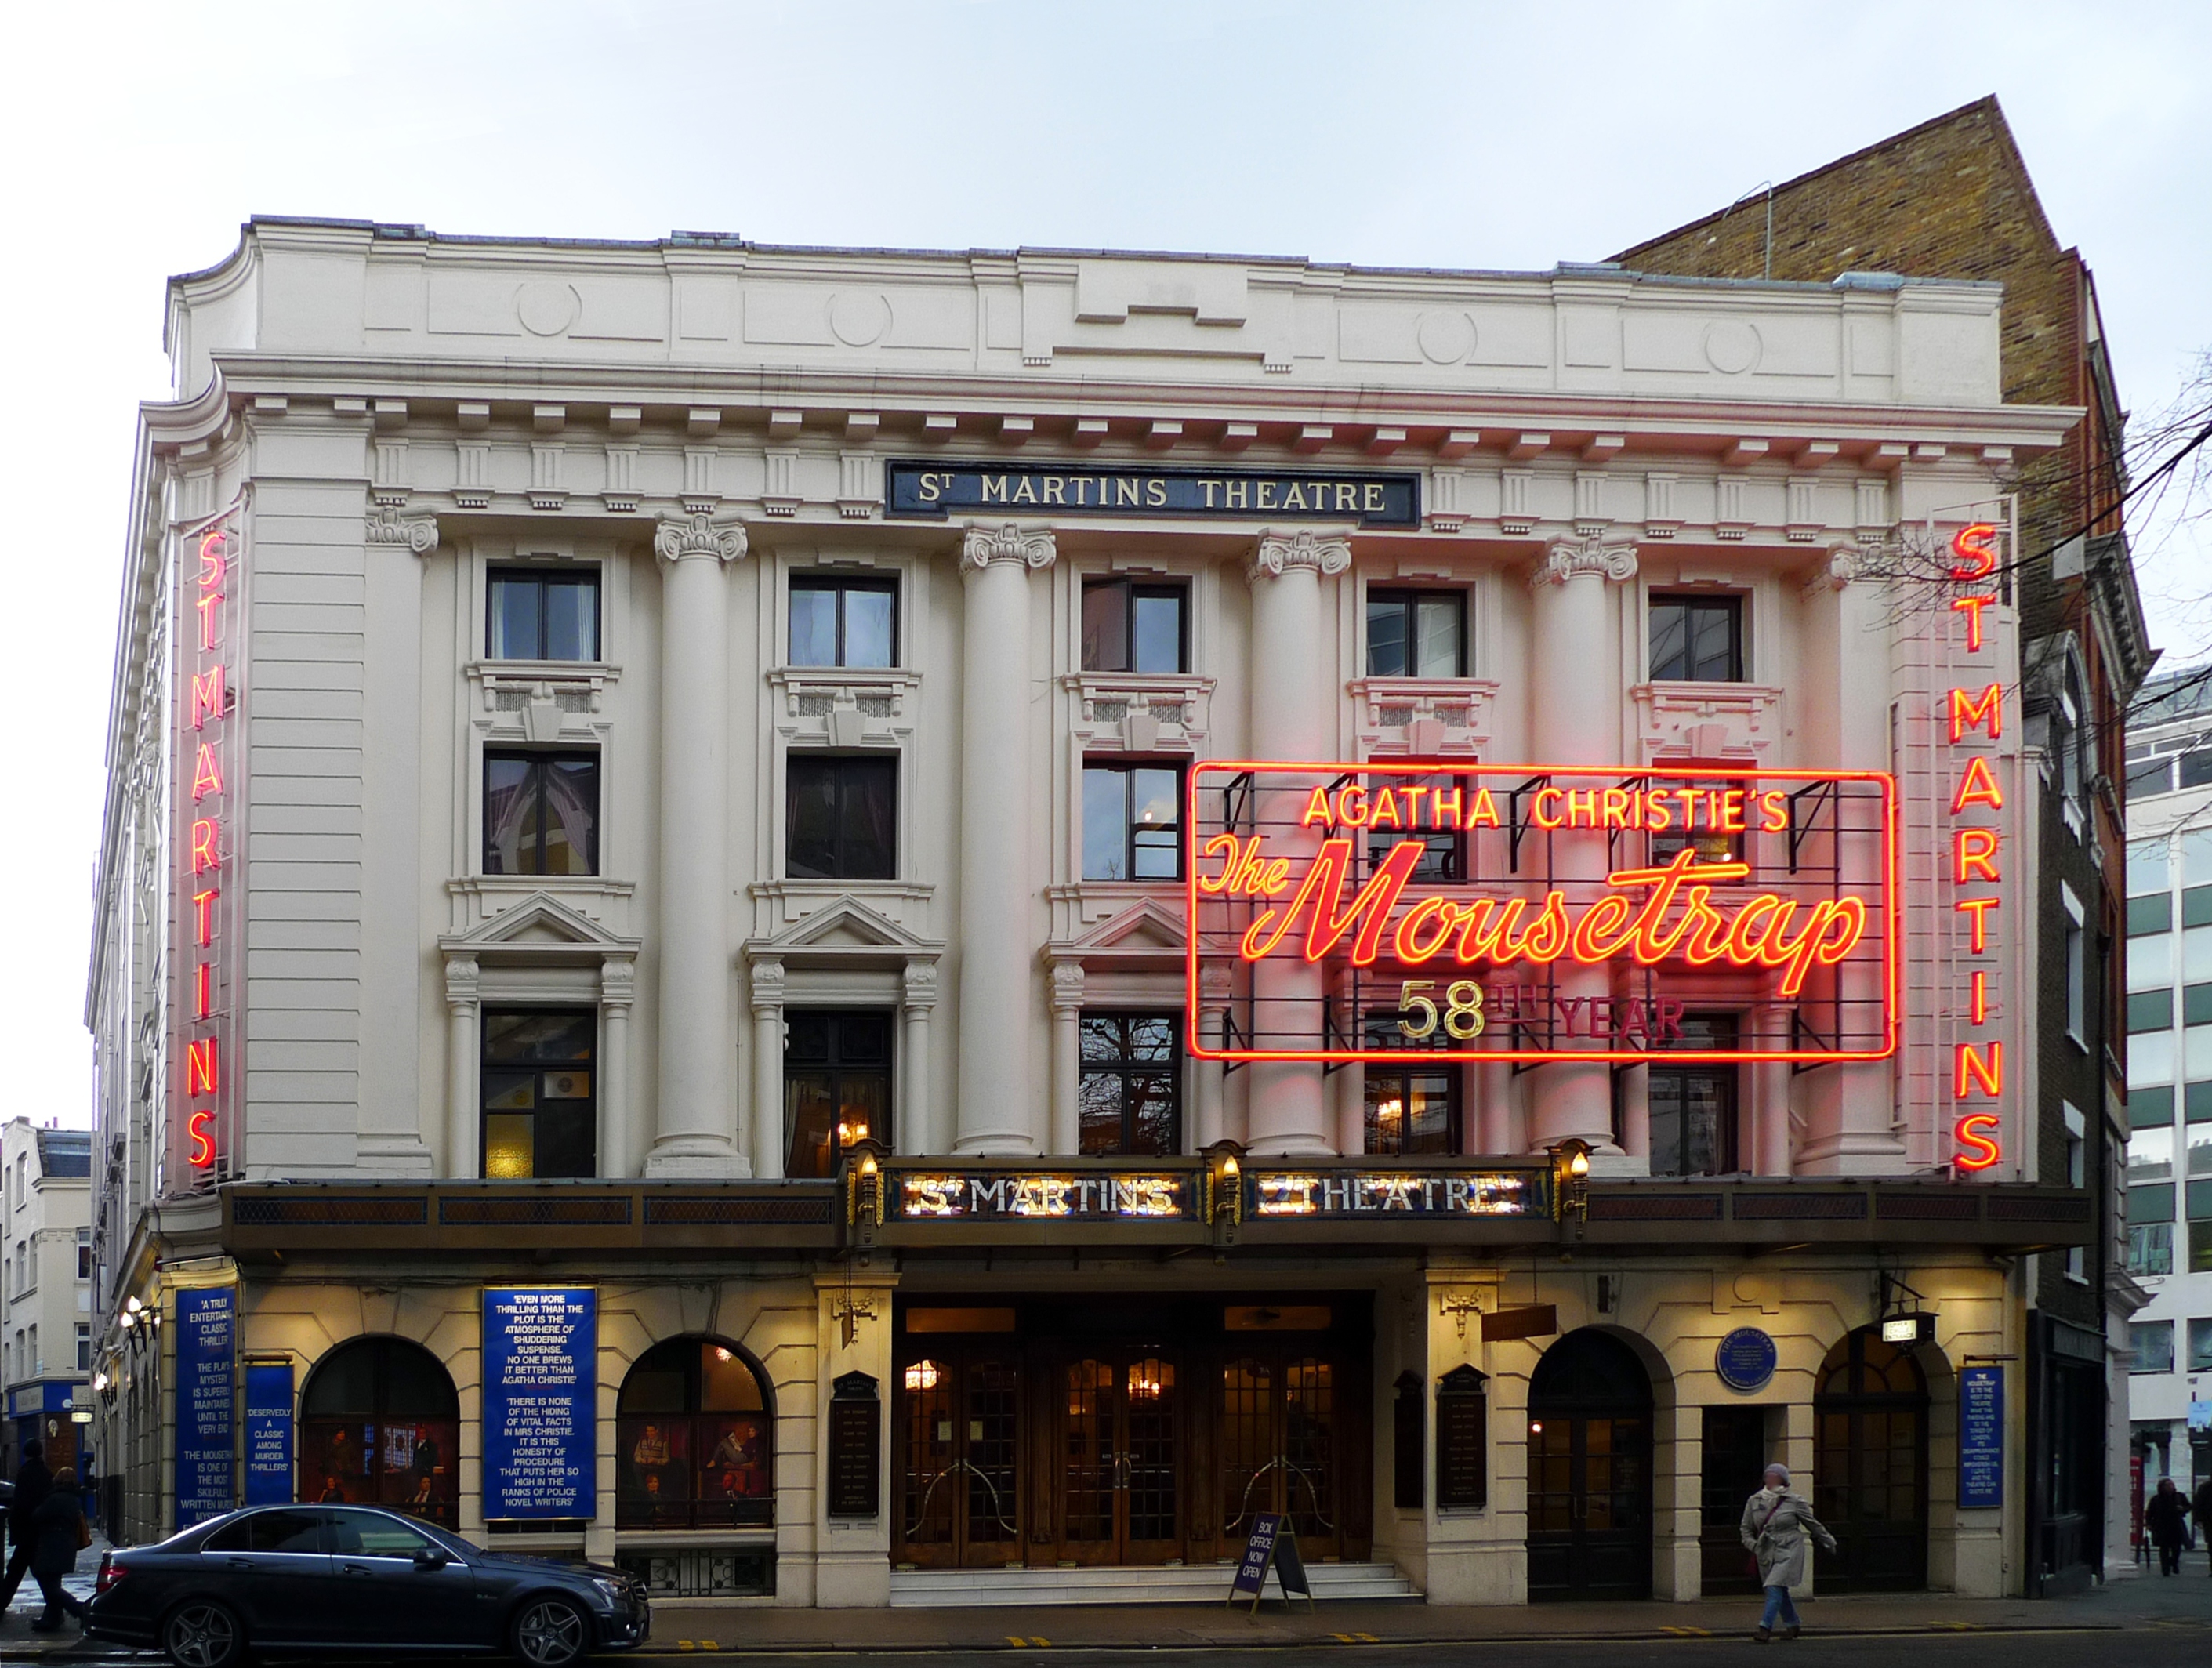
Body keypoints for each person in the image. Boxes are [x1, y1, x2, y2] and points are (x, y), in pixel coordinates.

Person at [1741, 1463, 1838, 1642]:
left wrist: (1828, 1540)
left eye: (1774, 1476)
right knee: (1779, 1589)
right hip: (1765, 1551)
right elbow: (1746, 1529)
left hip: (1789, 1548)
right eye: (1768, 1475)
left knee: (1773, 1586)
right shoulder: (1755, 1500)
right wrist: (1754, 1546)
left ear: (1783, 1480)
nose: (1770, 1479)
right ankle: (1793, 1623)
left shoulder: (1795, 1501)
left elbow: (1813, 1524)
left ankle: (1765, 1627)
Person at [26, 1467, 87, 1632]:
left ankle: (80, 1610)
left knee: (49, 1585)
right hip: (66, 1545)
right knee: (53, 1582)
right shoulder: (74, 1498)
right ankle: (50, 1619)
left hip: (52, 1545)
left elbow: (38, 1516)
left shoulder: (55, 1498)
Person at [0, 1438, 53, 1619]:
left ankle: (60, 1608)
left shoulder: (25, 1473)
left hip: (26, 1532)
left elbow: (20, 1503)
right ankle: (55, 1610)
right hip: (39, 1530)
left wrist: (14, 1524)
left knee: (15, 1571)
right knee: (37, 1573)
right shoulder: (46, 1473)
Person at [2145, 1477, 2192, 1576]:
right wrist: (2149, 1523)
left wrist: (2182, 1509)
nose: (2171, 1486)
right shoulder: (2156, 1499)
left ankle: (2173, 1562)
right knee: (2164, 1548)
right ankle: (2165, 1569)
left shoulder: (2179, 1496)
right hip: (2161, 1526)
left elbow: (2189, 1507)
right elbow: (2150, 1512)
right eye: (2168, 1485)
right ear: (2162, 1487)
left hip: (2176, 1525)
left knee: (2177, 1548)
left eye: (2172, 1484)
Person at [2196, 1478, 2212, 1577]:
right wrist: (2199, 1519)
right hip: (2209, 1520)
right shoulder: (2205, 1487)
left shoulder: (2204, 1487)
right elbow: (2199, 1504)